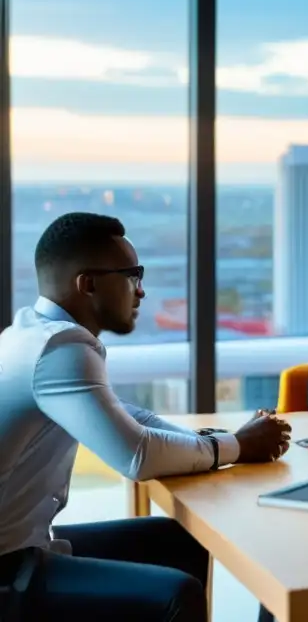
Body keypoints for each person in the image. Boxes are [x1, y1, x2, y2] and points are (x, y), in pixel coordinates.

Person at [0, 212, 292, 622]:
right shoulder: (59, 348)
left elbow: (125, 416)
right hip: (9, 569)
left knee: (177, 540)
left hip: (27, 548)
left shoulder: (31, 334)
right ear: (88, 284)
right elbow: (137, 456)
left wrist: (215, 440)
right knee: (177, 594)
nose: (142, 291)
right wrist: (238, 446)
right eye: (132, 276)